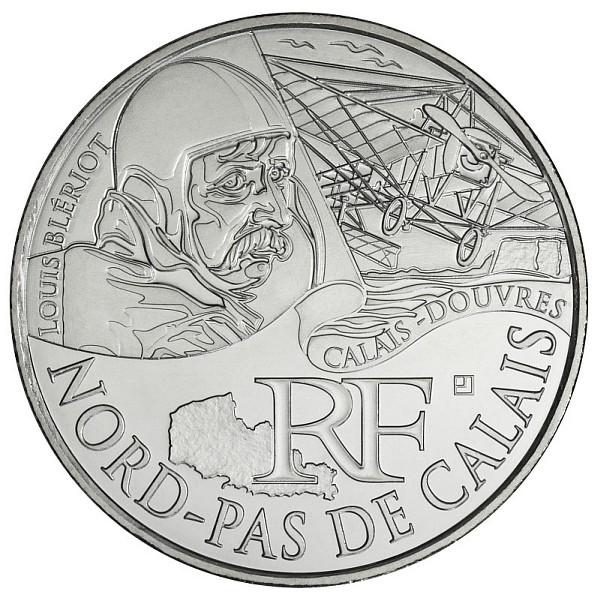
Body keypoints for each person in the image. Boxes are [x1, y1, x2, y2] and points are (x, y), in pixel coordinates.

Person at [55, 59, 317, 358]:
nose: (281, 215)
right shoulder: (172, 341)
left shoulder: (216, 312)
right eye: (233, 182)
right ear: (150, 200)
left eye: (278, 176)